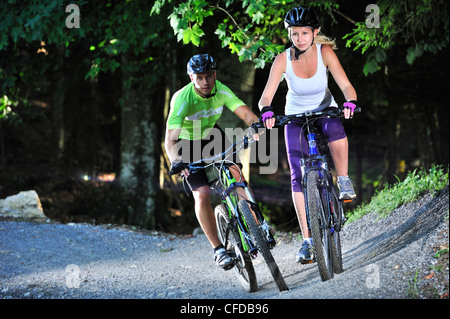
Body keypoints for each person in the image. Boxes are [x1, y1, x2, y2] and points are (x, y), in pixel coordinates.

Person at [258, 6, 358, 264]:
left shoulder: (325, 52)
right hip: (295, 116)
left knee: (335, 130)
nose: (299, 38)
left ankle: (344, 180)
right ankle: (308, 241)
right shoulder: (282, 59)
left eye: (304, 33)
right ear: (289, 35)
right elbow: (266, 97)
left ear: (315, 32)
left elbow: (345, 85)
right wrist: (267, 112)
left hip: (325, 110)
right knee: (296, 175)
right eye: (294, 34)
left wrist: (349, 102)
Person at [165, 53, 260, 270]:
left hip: (211, 136)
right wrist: (175, 160)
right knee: (203, 194)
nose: (205, 82)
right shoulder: (182, 98)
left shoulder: (221, 89)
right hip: (186, 142)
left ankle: (257, 228)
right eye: (200, 77)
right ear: (191, 78)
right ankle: (218, 249)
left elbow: (245, 113)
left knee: (237, 175)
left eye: (209, 76)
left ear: (214, 74)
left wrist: (255, 125)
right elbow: (170, 139)